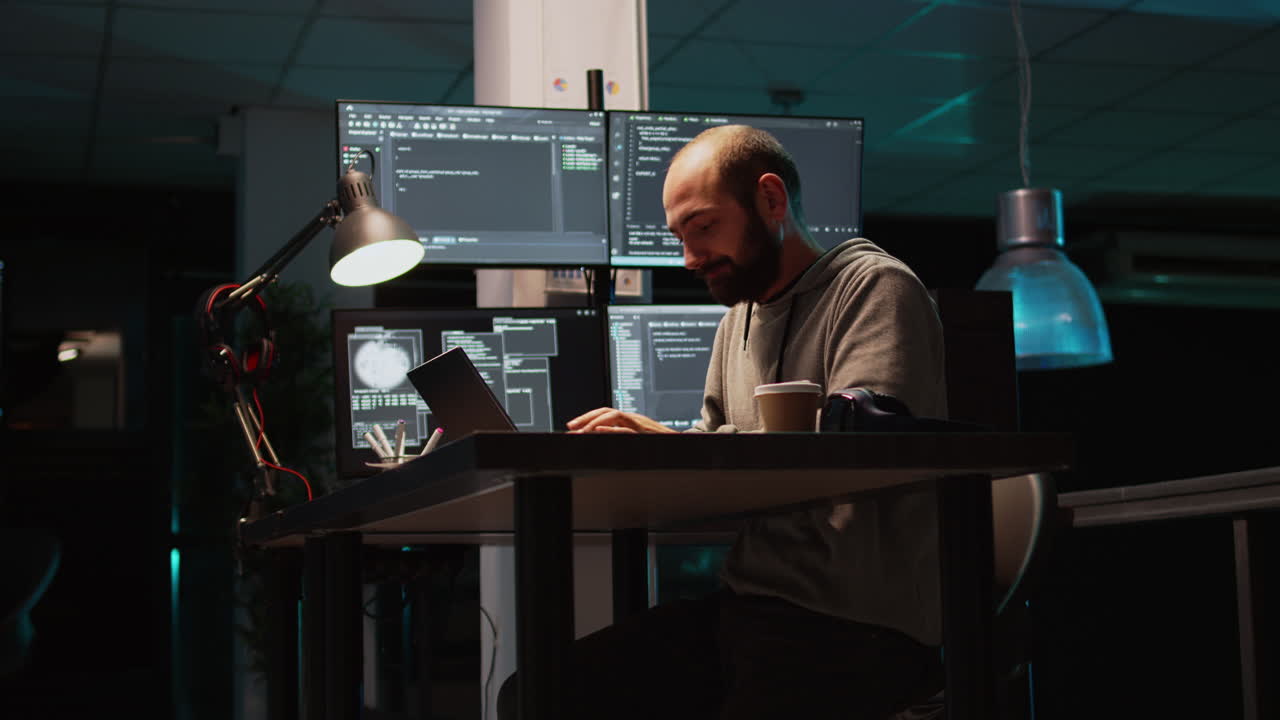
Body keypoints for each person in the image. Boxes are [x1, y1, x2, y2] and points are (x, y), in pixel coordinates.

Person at [497, 125, 948, 719]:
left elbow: (856, 444)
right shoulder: (738, 319)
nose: (689, 257)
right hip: (754, 607)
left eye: (703, 227)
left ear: (771, 199)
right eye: (679, 236)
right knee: (534, 696)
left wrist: (674, 445)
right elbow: (718, 458)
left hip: (857, 622)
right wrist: (640, 455)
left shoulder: (873, 287)